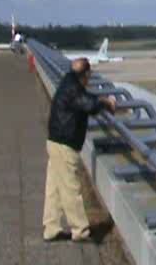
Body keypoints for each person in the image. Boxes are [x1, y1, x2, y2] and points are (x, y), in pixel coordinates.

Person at [42, 57, 116, 242]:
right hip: (64, 144)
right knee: (70, 188)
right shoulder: (73, 88)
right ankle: (80, 230)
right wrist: (106, 102)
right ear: (86, 74)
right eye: (88, 76)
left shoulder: (68, 82)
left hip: (56, 140)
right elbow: (89, 104)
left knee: (55, 188)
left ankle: (51, 228)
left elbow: (84, 100)